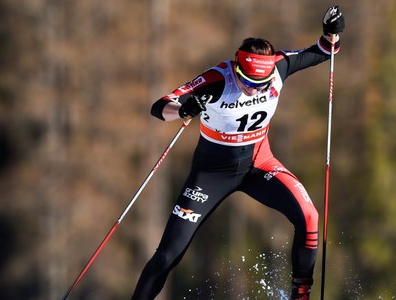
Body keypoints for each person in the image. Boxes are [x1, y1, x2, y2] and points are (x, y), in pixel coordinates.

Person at [132, 6, 345, 300]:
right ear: (237, 67)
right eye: (247, 81)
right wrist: (183, 109)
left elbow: (323, 50)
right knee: (168, 255)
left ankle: (301, 294)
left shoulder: (279, 66)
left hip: (259, 165)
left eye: (260, 84)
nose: (252, 89)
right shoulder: (217, 79)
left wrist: (332, 31)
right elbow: (160, 108)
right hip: (210, 175)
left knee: (309, 216)